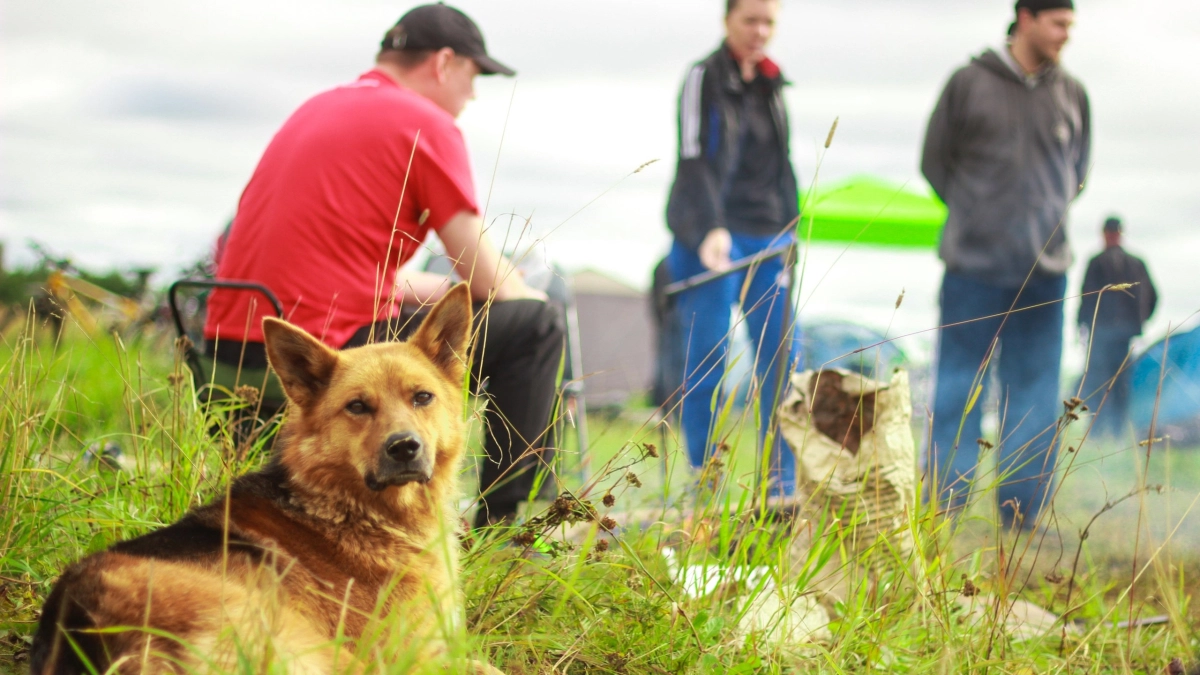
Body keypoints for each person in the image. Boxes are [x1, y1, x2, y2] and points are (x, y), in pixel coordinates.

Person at [203, 4, 564, 529]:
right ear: (443, 63)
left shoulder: (319, 107)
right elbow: (489, 279)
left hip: (226, 355)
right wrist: (528, 294)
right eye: (473, 74)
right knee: (536, 326)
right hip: (329, 356)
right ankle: (512, 528)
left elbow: (339, 262)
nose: (474, 94)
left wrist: (439, 287)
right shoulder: (426, 123)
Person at [921, 0, 1090, 528]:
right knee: (957, 391)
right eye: (1059, 23)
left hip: (1045, 275)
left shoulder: (1072, 94)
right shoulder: (968, 83)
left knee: (1036, 398)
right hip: (973, 270)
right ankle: (943, 508)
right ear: (1027, 17)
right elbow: (934, 162)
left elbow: (1078, 172)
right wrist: (979, 218)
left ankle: (1021, 515)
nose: (1067, 34)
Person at [664, 0, 802, 500]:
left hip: (770, 236)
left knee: (785, 362)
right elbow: (694, 155)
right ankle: (704, 480)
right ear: (728, 21)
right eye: (750, 21)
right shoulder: (704, 77)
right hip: (710, 237)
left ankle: (781, 483)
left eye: (769, 23)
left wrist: (793, 230)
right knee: (708, 359)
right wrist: (709, 227)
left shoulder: (774, 84)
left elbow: (783, 163)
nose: (760, 31)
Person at [1077, 216, 1158, 438]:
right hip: (1110, 335)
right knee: (1107, 383)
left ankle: (1112, 432)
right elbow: (1087, 297)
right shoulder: (1132, 263)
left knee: (1111, 384)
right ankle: (1105, 432)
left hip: (1114, 335)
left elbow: (1086, 298)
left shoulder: (1101, 262)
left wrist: (1082, 326)